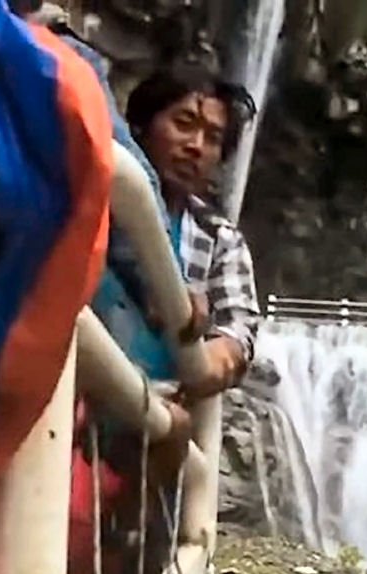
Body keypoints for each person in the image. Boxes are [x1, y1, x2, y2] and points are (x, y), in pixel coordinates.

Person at [124, 63, 262, 399]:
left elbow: (238, 329)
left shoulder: (219, 239)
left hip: (163, 410)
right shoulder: (100, 193)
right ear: (142, 126)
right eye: (183, 124)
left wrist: (217, 357)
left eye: (212, 138)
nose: (196, 146)